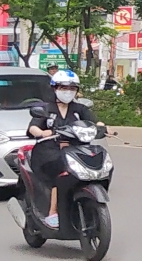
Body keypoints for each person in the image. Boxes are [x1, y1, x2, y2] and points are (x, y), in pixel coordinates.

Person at [24, 70, 96, 230]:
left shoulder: (80, 110)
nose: (68, 91)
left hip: (75, 151)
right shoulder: (46, 108)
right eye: (64, 88)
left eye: (72, 88)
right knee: (63, 170)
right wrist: (42, 132)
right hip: (48, 152)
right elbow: (33, 127)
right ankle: (52, 213)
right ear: (54, 88)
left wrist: (104, 128)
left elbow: (94, 123)